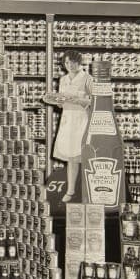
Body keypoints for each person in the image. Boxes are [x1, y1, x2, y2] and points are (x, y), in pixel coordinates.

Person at [41, 49, 93, 203]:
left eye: (73, 62)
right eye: (67, 62)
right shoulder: (63, 80)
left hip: (82, 120)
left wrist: (78, 100)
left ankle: (88, 191)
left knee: (85, 157)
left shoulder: (87, 79)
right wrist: (55, 101)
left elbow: (95, 101)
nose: (70, 65)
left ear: (80, 62)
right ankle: (71, 191)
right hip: (67, 121)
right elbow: (62, 102)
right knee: (71, 158)